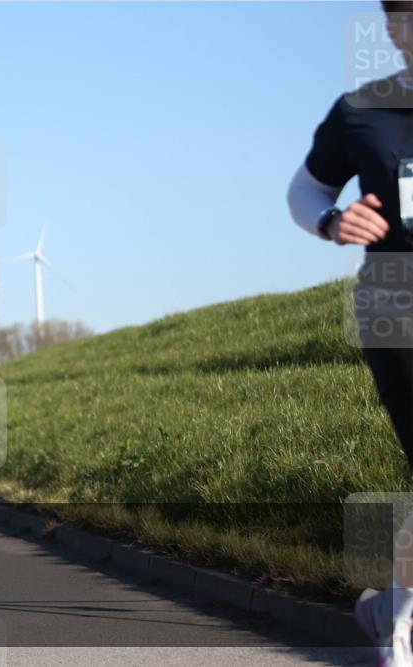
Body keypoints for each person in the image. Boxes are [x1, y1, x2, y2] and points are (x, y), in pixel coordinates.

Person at [287, 4, 413, 664]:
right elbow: (304, 191)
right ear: (393, 29)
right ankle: (400, 639)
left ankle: (388, 608)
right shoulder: (361, 110)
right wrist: (334, 223)